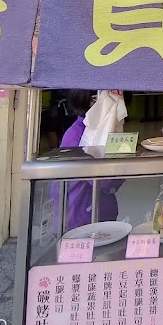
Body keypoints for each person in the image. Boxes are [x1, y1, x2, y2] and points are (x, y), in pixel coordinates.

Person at [53, 90, 125, 230]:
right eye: (98, 99)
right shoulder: (82, 135)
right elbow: (106, 181)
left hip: (96, 212)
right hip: (81, 217)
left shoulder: (94, 130)